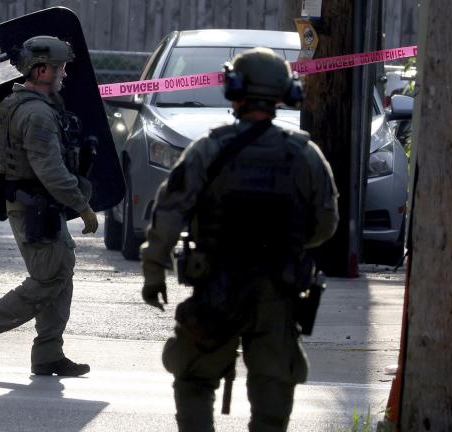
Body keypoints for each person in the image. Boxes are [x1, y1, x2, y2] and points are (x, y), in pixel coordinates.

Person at [140, 47, 340, 432]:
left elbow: (168, 213)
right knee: (273, 391)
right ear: (284, 92)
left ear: (234, 88)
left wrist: (154, 273)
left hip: (217, 286)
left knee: (195, 379)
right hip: (278, 290)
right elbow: (325, 224)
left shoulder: (207, 150)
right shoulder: (305, 155)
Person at [0, 35, 98, 377]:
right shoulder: (35, 113)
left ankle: (49, 353)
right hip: (35, 206)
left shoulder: (26, 102)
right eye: (60, 67)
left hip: (39, 205)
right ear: (40, 69)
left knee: (60, 274)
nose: (64, 73)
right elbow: (48, 168)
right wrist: (83, 206)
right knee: (50, 277)